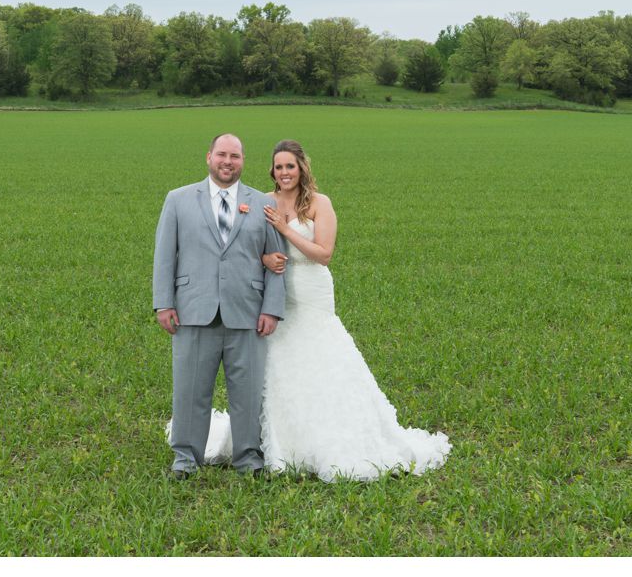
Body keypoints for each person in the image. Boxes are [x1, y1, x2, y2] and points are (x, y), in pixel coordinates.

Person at [198, 139, 451, 480]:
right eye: (279, 166)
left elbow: (324, 253)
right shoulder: (263, 202)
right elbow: (246, 247)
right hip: (275, 291)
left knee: (320, 357)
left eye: (290, 166)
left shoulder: (319, 203)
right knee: (277, 363)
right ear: (272, 171)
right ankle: (273, 442)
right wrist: (263, 259)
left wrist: (286, 229)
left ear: (302, 168)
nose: (284, 172)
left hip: (312, 291)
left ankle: (329, 440)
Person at [152, 133, 287, 477]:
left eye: (236, 156)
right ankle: (185, 459)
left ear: (244, 161)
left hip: (248, 313)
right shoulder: (179, 199)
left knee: (248, 392)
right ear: (209, 157)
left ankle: (249, 459)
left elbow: (277, 260)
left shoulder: (262, 204)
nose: (228, 162)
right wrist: (163, 303)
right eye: (222, 155)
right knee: (190, 390)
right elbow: (165, 256)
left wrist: (271, 308)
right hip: (193, 310)